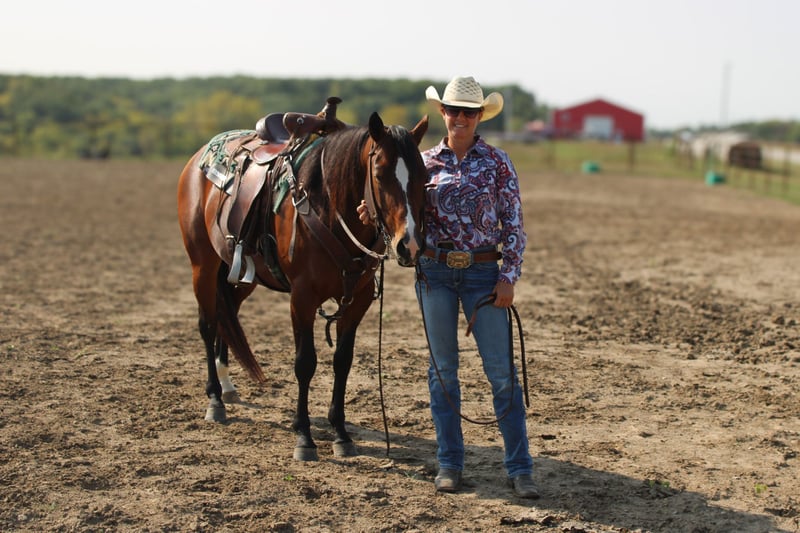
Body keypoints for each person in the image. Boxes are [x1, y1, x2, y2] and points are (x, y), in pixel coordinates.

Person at [361, 76, 538, 498]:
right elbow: (399, 203)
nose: (460, 118)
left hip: (484, 276)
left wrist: (509, 277)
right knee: (442, 373)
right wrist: (373, 213)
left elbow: (513, 224)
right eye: (454, 110)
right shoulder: (421, 162)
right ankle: (449, 463)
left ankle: (520, 467)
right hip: (435, 274)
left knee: (502, 374)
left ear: (479, 116)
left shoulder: (498, 163)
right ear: (442, 112)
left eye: (469, 112)